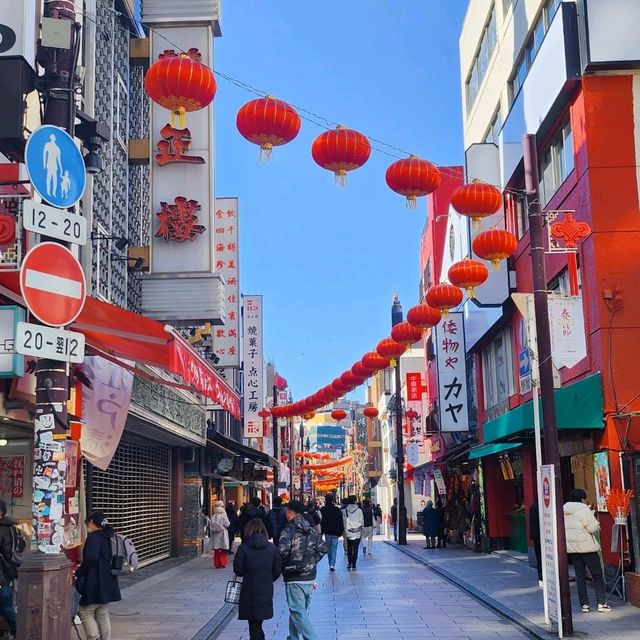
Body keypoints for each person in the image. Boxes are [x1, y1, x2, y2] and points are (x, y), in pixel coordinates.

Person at [278, 500, 327, 640]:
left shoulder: (288, 530)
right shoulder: (310, 529)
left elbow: (281, 553)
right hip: (309, 577)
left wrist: (283, 567)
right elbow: (323, 548)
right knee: (298, 611)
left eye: (287, 511)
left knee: (298, 612)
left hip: (294, 578)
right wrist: (310, 562)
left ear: (290, 512)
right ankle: (293, 637)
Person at [75, 511, 121, 640]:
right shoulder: (107, 536)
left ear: (91, 522)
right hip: (107, 580)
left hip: (94, 581)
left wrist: (79, 572)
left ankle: (93, 637)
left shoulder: (94, 538)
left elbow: (91, 558)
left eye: (87, 524)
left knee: (85, 611)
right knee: (102, 613)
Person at [233, 518, 282, 640]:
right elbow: (277, 571)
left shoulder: (243, 548)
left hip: (249, 588)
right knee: (258, 620)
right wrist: (268, 578)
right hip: (265, 588)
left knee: (253, 622)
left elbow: (238, 570)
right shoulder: (272, 549)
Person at [563, 488, 611, 613]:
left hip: (573, 549)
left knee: (580, 576)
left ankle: (584, 605)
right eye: (584, 498)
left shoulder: (563, 510)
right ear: (581, 499)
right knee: (597, 575)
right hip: (587, 547)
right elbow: (592, 528)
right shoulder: (584, 510)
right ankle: (601, 603)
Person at [0, 501, 17, 637]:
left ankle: (18, 631)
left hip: (3, 575)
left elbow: (6, 553)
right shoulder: (10, 527)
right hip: (7, 574)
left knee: (6, 607)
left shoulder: (3, 529)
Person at [320, 493, 344, 571]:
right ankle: (332, 564)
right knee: (334, 548)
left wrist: (322, 531)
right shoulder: (337, 510)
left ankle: (330, 562)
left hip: (327, 532)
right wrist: (341, 530)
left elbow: (322, 521)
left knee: (329, 548)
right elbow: (340, 521)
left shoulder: (323, 510)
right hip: (336, 532)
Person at [343, 495, 364, 570]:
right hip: (357, 531)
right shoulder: (359, 511)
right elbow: (362, 522)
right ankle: (354, 565)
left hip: (348, 531)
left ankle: (349, 563)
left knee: (349, 548)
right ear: (355, 501)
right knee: (355, 548)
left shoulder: (345, 510)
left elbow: (344, 521)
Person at [210, 500, 230, 568]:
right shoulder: (223, 514)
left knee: (216, 550)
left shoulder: (214, 515)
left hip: (215, 534)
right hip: (222, 532)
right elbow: (227, 524)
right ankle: (222, 562)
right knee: (223, 549)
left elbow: (211, 524)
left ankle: (217, 563)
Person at [529, 501, 542, 584]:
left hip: (536, 536)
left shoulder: (533, 507)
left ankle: (541, 578)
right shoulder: (541, 508)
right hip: (541, 536)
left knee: (539, 557)